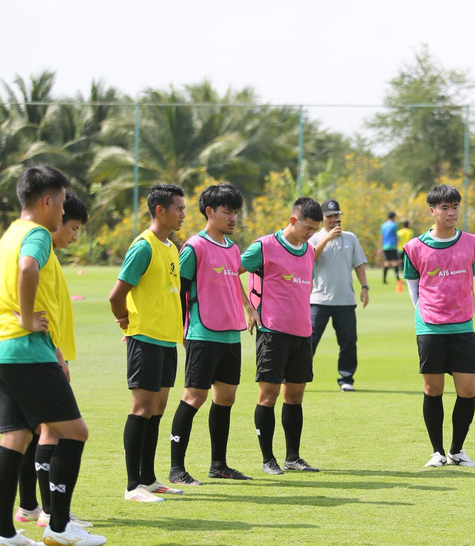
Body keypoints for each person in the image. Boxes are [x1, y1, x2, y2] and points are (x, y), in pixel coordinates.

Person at [0, 165, 105, 546]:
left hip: (1, 351)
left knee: (15, 438)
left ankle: (5, 534)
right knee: (74, 432)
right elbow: (28, 267)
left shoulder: (8, 236)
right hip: (27, 352)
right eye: (62, 203)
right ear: (47, 201)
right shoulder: (36, 234)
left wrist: (2, 318)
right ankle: (60, 527)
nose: (63, 211)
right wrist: (26, 320)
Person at [168, 183, 255, 487]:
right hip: (202, 334)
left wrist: (248, 307)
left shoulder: (233, 249)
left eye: (235, 212)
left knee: (226, 398)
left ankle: (219, 465)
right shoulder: (194, 247)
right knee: (195, 397)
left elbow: (233, 283)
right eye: (227, 212)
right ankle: (176, 468)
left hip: (231, 335)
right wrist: (180, 331)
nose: (233, 218)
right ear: (210, 212)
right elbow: (178, 292)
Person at [109, 183, 186, 502]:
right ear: (160, 210)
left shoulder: (171, 247)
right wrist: (126, 321)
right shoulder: (143, 247)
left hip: (167, 340)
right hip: (145, 339)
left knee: (157, 408)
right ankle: (132, 486)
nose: (183, 214)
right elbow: (116, 296)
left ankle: (149, 479)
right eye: (179, 208)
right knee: (141, 407)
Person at [402, 185, 475, 468]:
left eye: (455, 207)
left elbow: (469, 280)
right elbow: (413, 288)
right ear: (432, 211)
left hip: (463, 326)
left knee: (467, 390)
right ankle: (437, 452)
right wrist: (426, 314)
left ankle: (457, 451)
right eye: (445, 208)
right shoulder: (414, 247)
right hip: (430, 328)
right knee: (433, 389)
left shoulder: (472, 242)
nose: (451, 213)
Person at [240, 197, 323, 474]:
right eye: (307, 228)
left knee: (295, 396)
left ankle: (293, 458)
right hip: (272, 333)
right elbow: (230, 272)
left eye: (315, 230)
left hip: (302, 333)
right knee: (269, 395)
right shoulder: (264, 246)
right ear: (292, 220)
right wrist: (248, 307)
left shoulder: (309, 251)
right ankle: (268, 460)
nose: (310, 234)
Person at [309, 198, 369, 392]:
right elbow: (310, 257)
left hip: (345, 301)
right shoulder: (315, 238)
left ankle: (346, 378)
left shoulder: (351, 238)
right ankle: (298, 375)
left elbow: (359, 264)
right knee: (309, 341)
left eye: (337, 215)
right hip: (319, 300)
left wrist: (365, 287)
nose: (335, 219)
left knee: (348, 342)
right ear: (322, 218)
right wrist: (327, 238)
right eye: (331, 216)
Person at [381, 211, 400, 284]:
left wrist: (381, 247)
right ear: (394, 217)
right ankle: (398, 280)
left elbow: (382, 237)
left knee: (387, 263)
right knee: (396, 262)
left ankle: (384, 280)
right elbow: (395, 236)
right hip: (392, 245)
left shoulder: (383, 225)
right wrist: (397, 244)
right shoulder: (394, 225)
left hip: (385, 246)